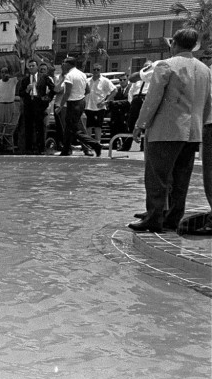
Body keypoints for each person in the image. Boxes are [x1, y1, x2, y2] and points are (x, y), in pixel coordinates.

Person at [130, 28, 212, 233]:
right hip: (193, 132)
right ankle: (174, 217)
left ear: (174, 43)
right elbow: (208, 103)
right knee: (182, 177)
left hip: (166, 129)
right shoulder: (205, 69)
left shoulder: (167, 65)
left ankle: (154, 217)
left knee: (157, 176)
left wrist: (141, 124)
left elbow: (153, 99)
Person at [54, 56, 102, 157]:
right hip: (81, 102)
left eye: (64, 63)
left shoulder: (70, 75)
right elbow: (87, 90)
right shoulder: (82, 74)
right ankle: (66, 150)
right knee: (68, 128)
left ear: (68, 64)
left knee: (73, 129)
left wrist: (60, 106)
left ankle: (94, 144)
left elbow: (67, 93)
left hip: (73, 103)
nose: (62, 65)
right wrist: (81, 98)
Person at [18, 59, 55, 155]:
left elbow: (53, 88)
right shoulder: (25, 80)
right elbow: (20, 93)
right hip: (29, 105)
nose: (31, 68)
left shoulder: (44, 77)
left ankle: (41, 148)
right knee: (28, 127)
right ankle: (29, 148)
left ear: (37, 67)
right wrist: (27, 90)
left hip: (39, 105)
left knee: (40, 127)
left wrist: (47, 98)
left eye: (33, 66)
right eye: (29, 66)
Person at [0, 66, 20, 153]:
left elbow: (21, 73)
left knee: (9, 126)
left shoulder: (13, 80)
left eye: (5, 72)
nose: (4, 74)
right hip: (0, 105)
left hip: (10, 104)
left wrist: (10, 75)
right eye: (2, 72)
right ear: (0, 73)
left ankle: (9, 146)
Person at [84, 67, 115, 148]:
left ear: (100, 71)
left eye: (98, 69)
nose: (96, 71)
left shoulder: (105, 81)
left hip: (99, 107)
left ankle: (97, 143)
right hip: (88, 106)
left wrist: (106, 101)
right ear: (92, 70)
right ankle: (89, 144)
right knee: (88, 126)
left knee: (98, 126)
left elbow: (114, 90)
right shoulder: (87, 81)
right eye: (94, 69)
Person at [107, 78, 132, 148]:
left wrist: (114, 103)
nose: (122, 81)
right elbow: (110, 100)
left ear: (127, 80)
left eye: (124, 79)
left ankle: (125, 146)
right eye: (120, 80)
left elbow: (128, 101)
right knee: (114, 130)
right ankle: (113, 146)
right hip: (116, 115)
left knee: (125, 131)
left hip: (126, 114)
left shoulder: (131, 89)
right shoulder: (116, 90)